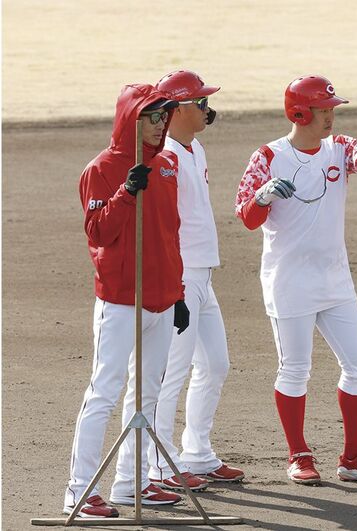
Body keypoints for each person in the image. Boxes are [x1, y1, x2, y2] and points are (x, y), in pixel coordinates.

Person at [235, 75, 357, 485]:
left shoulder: (339, 147)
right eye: (323, 110)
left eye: (332, 110)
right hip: (289, 282)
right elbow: (246, 217)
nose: (330, 117)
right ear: (299, 113)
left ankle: (354, 457)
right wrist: (263, 196)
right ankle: (299, 455)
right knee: (295, 369)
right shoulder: (268, 156)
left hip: (334, 280)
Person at [65, 84, 187, 517]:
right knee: (104, 391)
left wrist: (178, 292)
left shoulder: (167, 165)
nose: (159, 124)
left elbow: (170, 234)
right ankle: (80, 492)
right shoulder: (101, 168)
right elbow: (98, 232)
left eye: (163, 116)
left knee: (147, 395)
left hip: (161, 300)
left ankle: (130, 483)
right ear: (130, 119)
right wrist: (126, 192)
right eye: (151, 117)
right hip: (120, 301)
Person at [145, 70, 245, 492]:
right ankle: (160, 464)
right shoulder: (165, 156)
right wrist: (175, 285)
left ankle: (197, 452)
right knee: (173, 371)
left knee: (215, 364)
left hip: (204, 273)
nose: (207, 108)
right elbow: (162, 227)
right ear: (179, 109)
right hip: (181, 275)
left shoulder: (194, 148)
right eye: (200, 102)